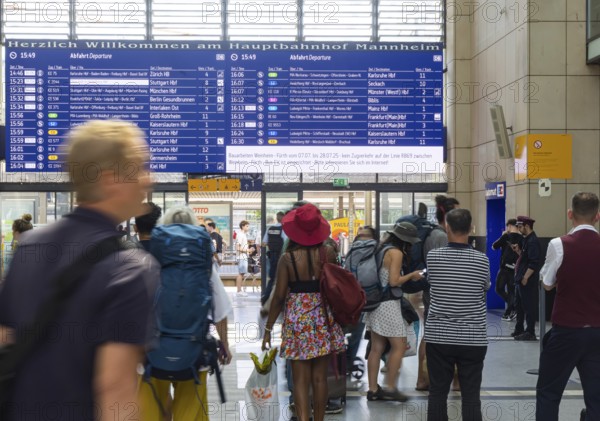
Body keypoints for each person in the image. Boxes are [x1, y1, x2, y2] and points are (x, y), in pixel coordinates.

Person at [0, 119, 159, 421]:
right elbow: (115, 391)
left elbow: (5, 337)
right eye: (139, 167)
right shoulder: (128, 267)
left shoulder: (31, 245)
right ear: (112, 179)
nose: (147, 180)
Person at [138, 205, 232, 421]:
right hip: (194, 351)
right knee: (190, 413)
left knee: (150, 411)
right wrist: (224, 345)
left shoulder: (148, 261)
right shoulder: (203, 267)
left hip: (151, 352)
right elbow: (221, 311)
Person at [262, 203, 345, 421]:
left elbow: (279, 297)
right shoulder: (328, 252)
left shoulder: (287, 259)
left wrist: (268, 328)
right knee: (320, 379)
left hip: (297, 318)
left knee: (299, 380)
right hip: (322, 316)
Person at [536, 192, 600, 421]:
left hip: (566, 332)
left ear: (570, 214)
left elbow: (547, 284)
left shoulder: (558, 244)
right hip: (597, 331)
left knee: (549, 392)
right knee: (596, 397)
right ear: (598, 216)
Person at [425, 208, 490, 421]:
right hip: (473, 338)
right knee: (471, 396)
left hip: (439, 336)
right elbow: (484, 288)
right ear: (471, 228)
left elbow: (431, 283)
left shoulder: (433, 257)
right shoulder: (482, 260)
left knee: (437, 394)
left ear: (447, 227)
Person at [365, 222, 424, 402]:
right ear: (405, 240)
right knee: (399, 346)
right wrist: (412, 275)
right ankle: (390, 386)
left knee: (376, 348)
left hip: (375, 305)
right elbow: (394, 281)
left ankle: (373, 389)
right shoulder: (396, 253)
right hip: (389, 305)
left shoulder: (381, 249)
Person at [415, 194, 460, 391]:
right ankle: (451, 380)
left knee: (429, 335)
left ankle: (422, 378)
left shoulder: (432, 234)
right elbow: (446, 268)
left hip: (431, 290)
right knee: (450, 335)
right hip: (442, 294)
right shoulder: (442, 237)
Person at [511, 215, 541, 341]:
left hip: (526, 280)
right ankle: (519, 329)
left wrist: (525, 277)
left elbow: (534, 262)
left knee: (528, 306)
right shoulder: (526, 240)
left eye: (520, 226)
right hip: (520, 278)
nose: (518, 229)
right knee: (519, 305)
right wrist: (518, 251)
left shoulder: (533, 241)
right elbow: (525, 258)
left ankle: (530, 332)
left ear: (527, 226)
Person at [492, 218, 520, 321]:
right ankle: (511, 311)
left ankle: (512, 308)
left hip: (504, 268)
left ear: (509, 226)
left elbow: (494, 246)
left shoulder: (506, 236)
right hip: (515, 268)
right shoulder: (522, 238)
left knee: (499, 289)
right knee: (512, 291)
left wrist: (503, 235)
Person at [261, 211, 287, 305]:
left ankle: (266, 297)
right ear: (283, 219)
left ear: (276, 218)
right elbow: (286, 243)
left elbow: (263, 243)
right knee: (284, 278)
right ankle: (281, 300)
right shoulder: (284, 229)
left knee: (272, 278)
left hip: (272, 256)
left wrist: (271, 244)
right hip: (281, 256)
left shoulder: (270, 228)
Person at [235, 220, 255, 297]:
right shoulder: (240, 235)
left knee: (242, 273)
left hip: (243, 256)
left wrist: (248, 250)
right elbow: (238, 247)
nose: (248, 227)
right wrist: (248, 250)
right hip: (241, 257)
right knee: (241, 274)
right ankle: (239, 291)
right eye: (247, 226)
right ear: (242, 226)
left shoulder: (243, 234)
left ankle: (239, 290)